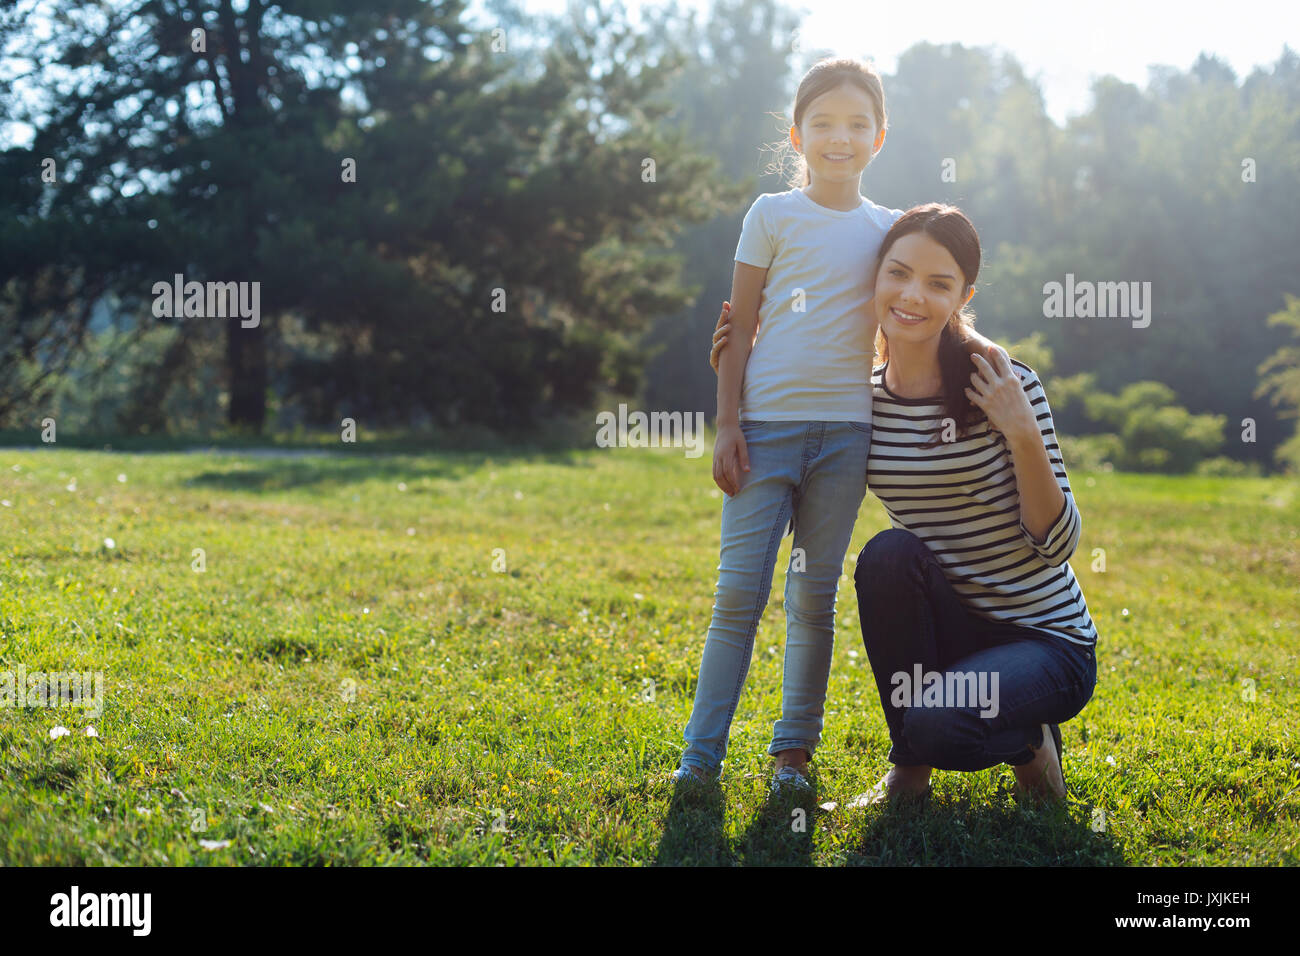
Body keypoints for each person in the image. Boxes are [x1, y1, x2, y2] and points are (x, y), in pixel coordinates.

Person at [670, 58, 1006, 795]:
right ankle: (701, 756)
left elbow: (923, 312)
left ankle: (793, 756)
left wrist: (986, 360)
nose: (839, 138)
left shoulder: (889, 231)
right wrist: (727, 424)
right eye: (822, 123)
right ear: (796, 134)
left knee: (812, 597)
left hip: (848, 436)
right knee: (738, 595)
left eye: (857, 124)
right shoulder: (770, 214)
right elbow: (739, 327)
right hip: (764, 430)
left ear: (879, 137)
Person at [711, 203, 1098, 805]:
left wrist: (1021, 432)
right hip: (953, 632)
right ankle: (910, 778)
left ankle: (1030, 744)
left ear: (962, 296)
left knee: (938, 724)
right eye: (898, 273)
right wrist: (742, 368)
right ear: (875, 279)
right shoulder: (863, 404)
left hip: (1044, 640)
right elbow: (800, 407)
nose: (912, 296)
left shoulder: (1002, 383)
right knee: (887, 556)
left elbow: (1059, 544)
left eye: (938, 283)